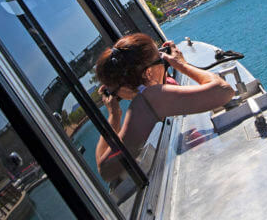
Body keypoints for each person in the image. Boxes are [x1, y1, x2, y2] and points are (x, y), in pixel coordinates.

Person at [94, 33, 234, 181]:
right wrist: (182, 65)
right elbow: (224, 91)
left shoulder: (141, 103)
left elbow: (102, 165)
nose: (165, 64)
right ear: (148, 72)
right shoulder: (151, 98)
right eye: (161, 60)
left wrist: (114, 116)